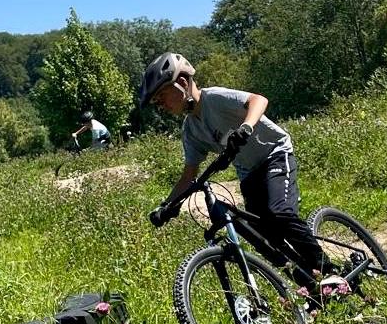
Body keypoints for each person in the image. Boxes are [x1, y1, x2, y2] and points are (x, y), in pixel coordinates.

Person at [139, 52, 342, 288]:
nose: (161, 105)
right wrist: (167, 205)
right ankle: (312, 286)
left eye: (162, 97)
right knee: (262, 237)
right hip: (248, 173)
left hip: (275, 154)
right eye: (157, 102)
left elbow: (258, 101)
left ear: (182, 84)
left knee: (279, 213)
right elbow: (189, 175)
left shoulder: (214, 98)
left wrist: (246, 126)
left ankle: (331, 271)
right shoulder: (191, 130)